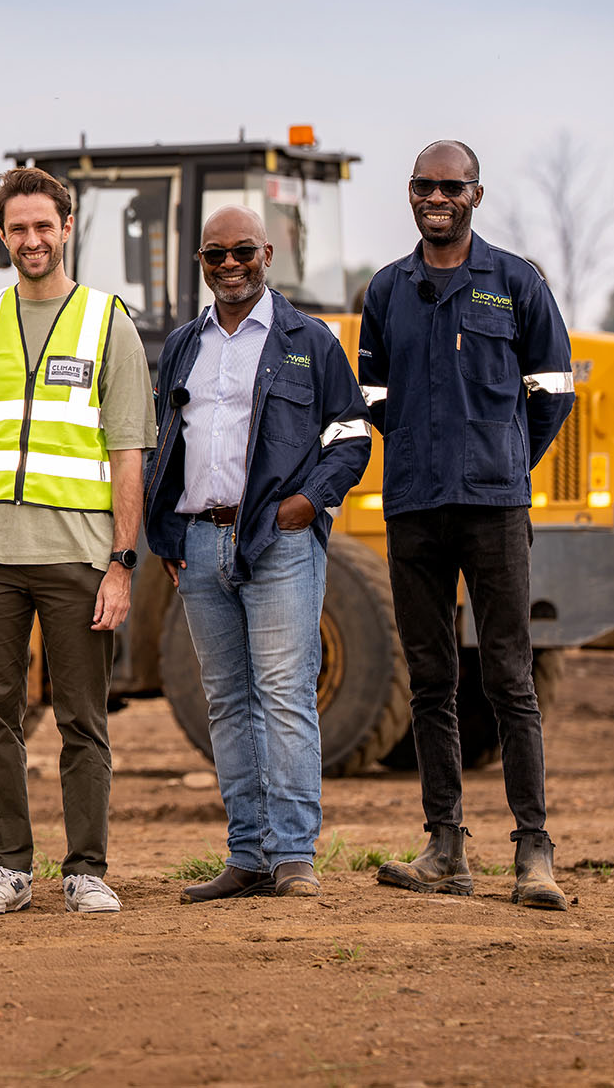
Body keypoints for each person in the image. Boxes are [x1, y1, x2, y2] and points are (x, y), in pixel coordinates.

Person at [361, 140, 575, 910]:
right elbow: (374, 395)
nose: (437, 196)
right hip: (414, 507)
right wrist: (422, 450)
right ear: (410, 193)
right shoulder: (388, 290)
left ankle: (534, 850)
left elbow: (552, 391)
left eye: (451, 185)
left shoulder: (515, 283)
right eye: (424, 185)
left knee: (510, 677)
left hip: (493, 507)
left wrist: (505, 457)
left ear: (476, 195)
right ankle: (444, 844)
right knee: (429, 681)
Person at [0, 167, 152, 916]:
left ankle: (86, 867)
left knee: (82, 719)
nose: (31, 239)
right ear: (3, 235)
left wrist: (122, 564)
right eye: (17, 227)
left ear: (67, 229)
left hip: (79, 555)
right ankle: (9, 867)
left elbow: (129, 452)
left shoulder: (107, 322)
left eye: (43, 226)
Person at [146, 207, 372, 903]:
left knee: (285, 695)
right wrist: (166, 534)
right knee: (227, 702)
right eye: (216, 255)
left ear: (267, 252)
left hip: (277, 540)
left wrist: (308, 503)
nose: (230, 264)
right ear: (202, 262)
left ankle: (294, 855)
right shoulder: (184, 345)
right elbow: (161, 438)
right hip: (199, 538)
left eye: (243, 250)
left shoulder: (309, 340)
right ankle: (246, 854)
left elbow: (352, 434)